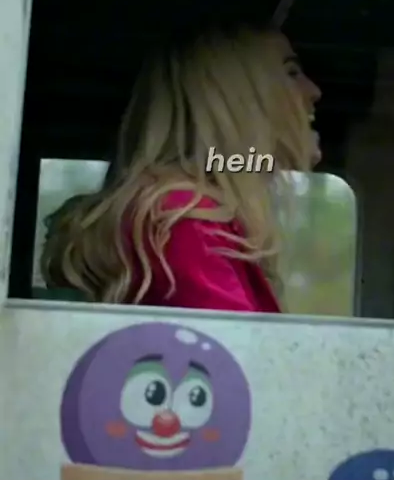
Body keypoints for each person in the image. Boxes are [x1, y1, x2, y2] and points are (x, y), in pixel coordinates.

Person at [41, 24, 321, 313]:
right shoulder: (182, 218)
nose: (314, 91)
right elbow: (233, 341)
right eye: (291, 73)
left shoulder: (188, 211)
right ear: (232, 98)